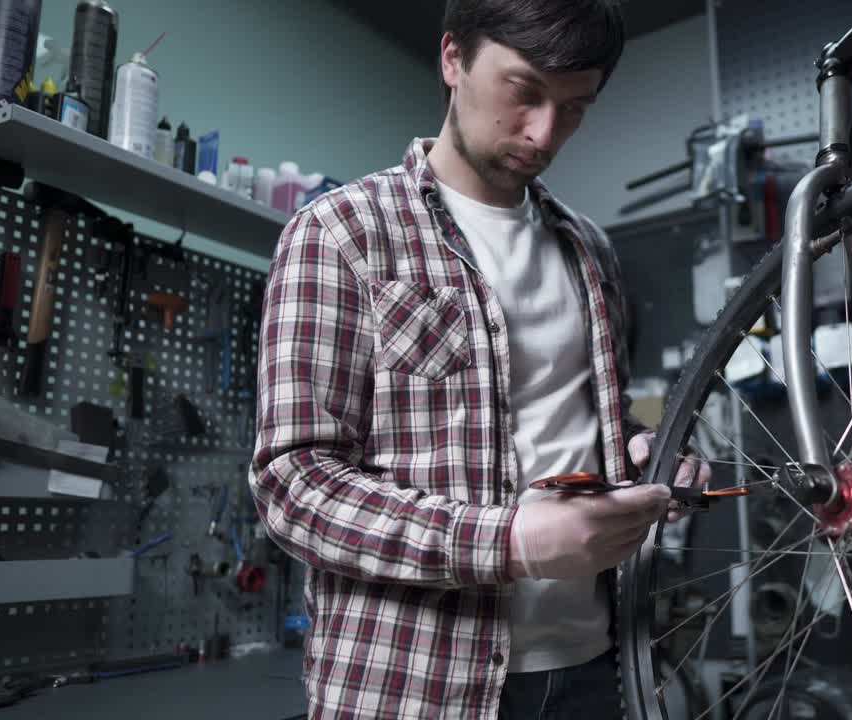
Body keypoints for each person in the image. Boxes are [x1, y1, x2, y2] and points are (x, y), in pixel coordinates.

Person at [248, 1, 709, 718]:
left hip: (600, 668)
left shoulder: (593, 253)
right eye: (523, 91)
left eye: (575, 108)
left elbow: (599, 429)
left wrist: (651, 463)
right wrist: (508, 543)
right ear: (453, 58)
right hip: (413, 685)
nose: (544, 132)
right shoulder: (339, 234)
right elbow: (294, 486)